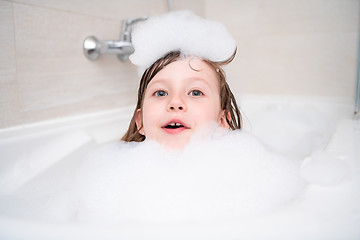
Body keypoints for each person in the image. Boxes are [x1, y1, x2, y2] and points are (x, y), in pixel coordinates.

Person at [121, 11, 242, 149]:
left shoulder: (238, 168)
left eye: (195, 92)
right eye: (161, 93)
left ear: (221, 121)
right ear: (141, 121)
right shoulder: (117, 168)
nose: (175, 103)